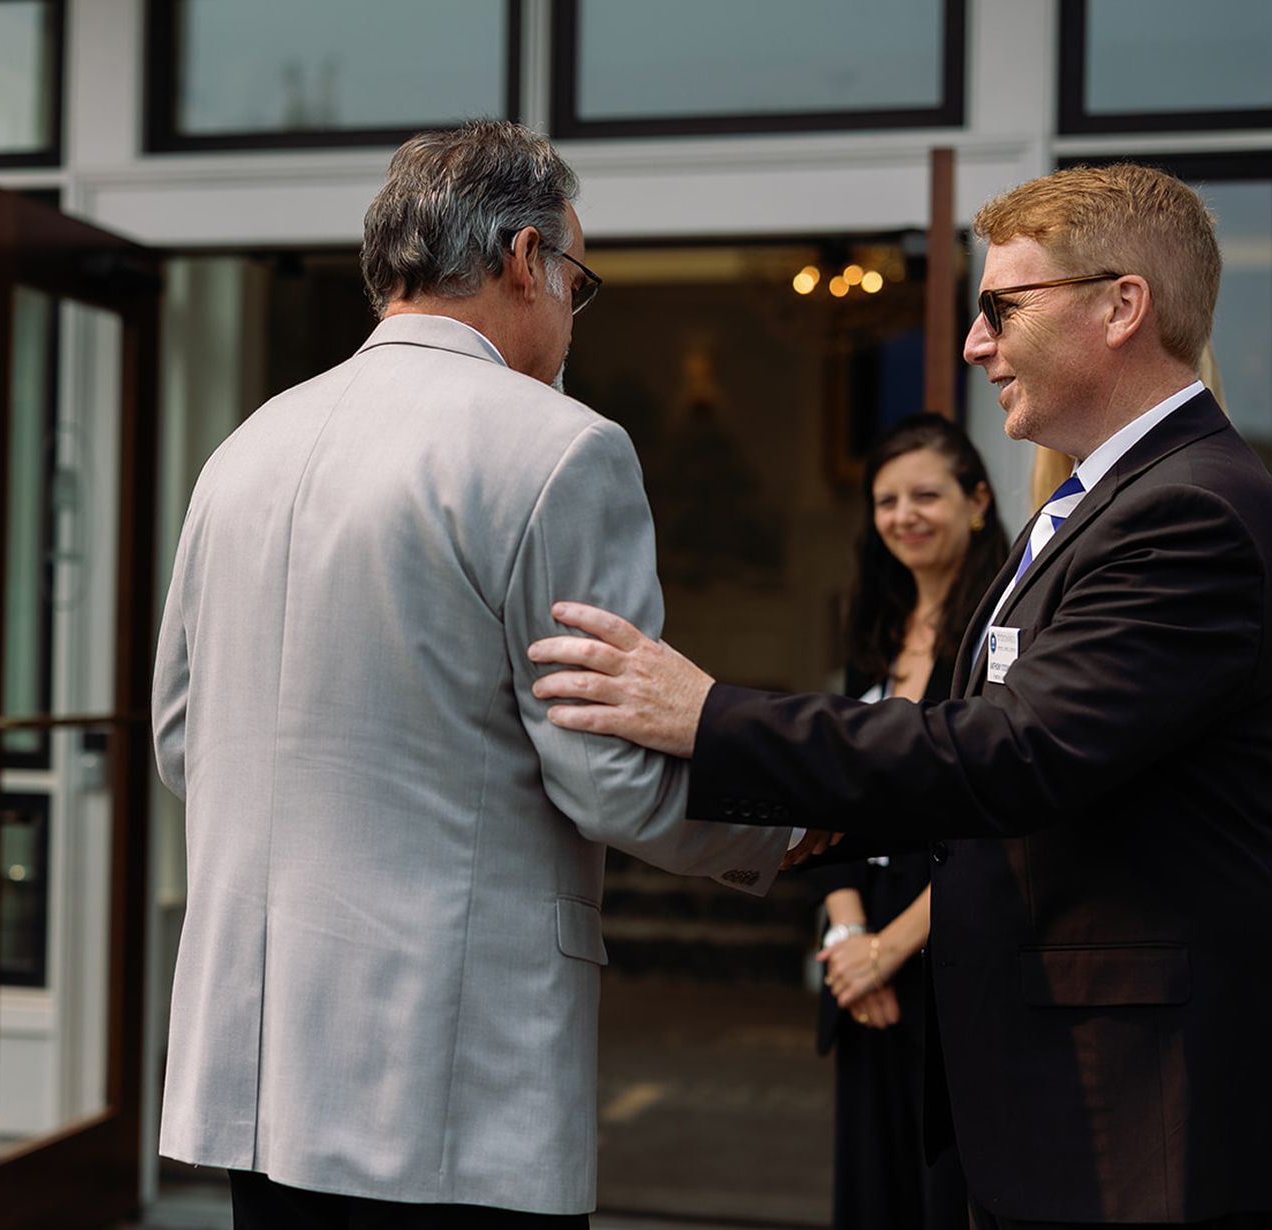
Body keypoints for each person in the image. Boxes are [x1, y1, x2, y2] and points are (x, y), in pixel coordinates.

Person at [527, 163, 1272, 1228]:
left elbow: (1015, 754)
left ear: (1122, 305)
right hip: (1051, 1091)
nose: (972, 344)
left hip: (1136, 1106)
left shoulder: (1193, 516)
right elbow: (981, 750)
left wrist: (709, 717)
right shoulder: (1103, 502)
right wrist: (795, 835)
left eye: (1002, 306)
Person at [150, 119, 791, 1229]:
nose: (571, 315)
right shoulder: (558, 448)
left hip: (255, 1067)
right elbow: (610, 781)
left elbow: (179, 739)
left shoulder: (245, 445)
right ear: (523, 257)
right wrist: (791, 818)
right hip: (449, 1074)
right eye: (576, 280)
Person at [817, 414, 1002, 1230]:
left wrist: (889, 951)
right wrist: (848, 943)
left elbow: (995, 821)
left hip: (952, 967)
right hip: (862, 975)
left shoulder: (1002, 636)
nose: (904, 515)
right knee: (870, 1197)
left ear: (978, 501)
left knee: (945, 1202)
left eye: (927, 494)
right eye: (886, 499)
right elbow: (829, 797)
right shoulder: (873, 632)